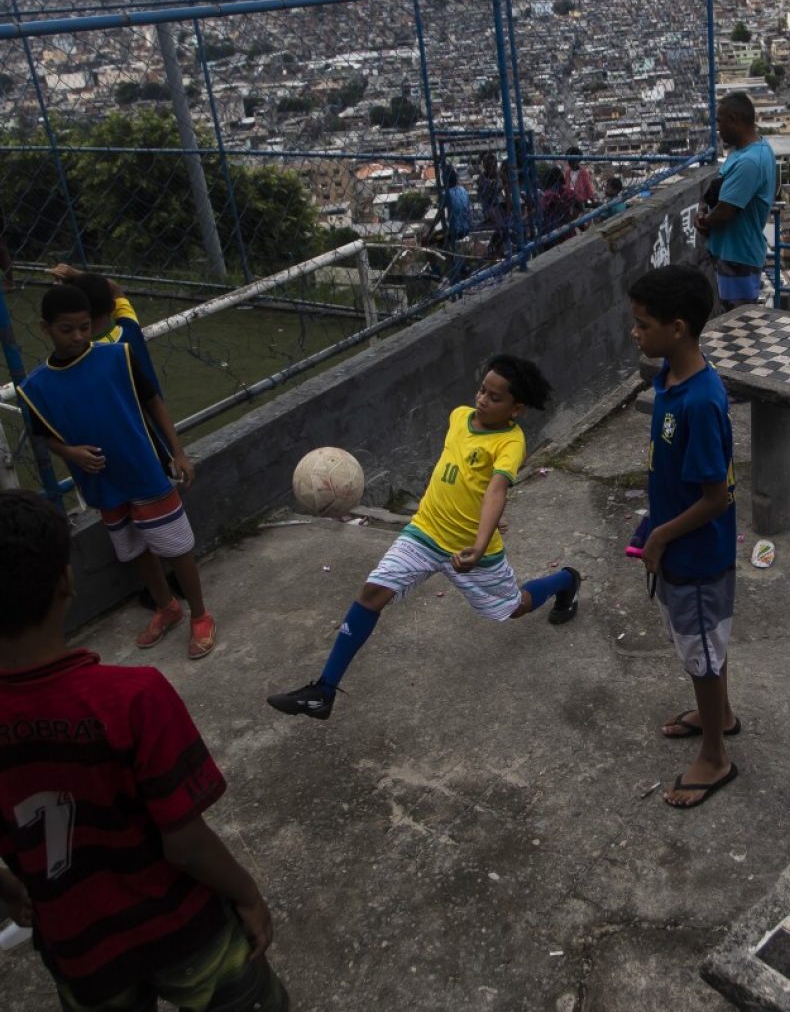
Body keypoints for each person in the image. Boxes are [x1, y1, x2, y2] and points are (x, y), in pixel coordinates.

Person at [0, 489, 287, 1011]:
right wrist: (246, 893)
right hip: (181, 928)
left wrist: (8, 887)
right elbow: (185, 843)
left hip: (78, 950)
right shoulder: (132, 698)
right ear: (66, 581)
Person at [267, 354, 582, 720]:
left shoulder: (510, 442)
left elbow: (496, 488)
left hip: (469, 549)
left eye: (495, 398)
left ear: (518, 409)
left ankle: (566, 580)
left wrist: (481, 543)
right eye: (482, 390)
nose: (482, 399)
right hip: (425, 531)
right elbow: (460, 476)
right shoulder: (458, 417)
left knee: (515, 608)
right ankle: (323, 691)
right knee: (371, 593)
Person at [16, 285, 216, 659]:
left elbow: (154, 400)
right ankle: (166, 607)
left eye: (84, 327)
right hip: (101, 483)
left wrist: (178, 453)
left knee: (176, 547)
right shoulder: (35, 388)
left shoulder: (118, 356)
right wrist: (70, 452)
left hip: (144, 471)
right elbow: (44, 437)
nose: (77, 336)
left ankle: (201, 615)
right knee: (133, 549)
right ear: (46, 329)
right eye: (67, 329)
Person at [628, 264, 739, 810]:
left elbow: (715, 497)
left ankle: (715, 756)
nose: (635, 333)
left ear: (678, 327)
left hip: (694, 555)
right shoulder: (669, 379)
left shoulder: (699, 400)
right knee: (707, 641)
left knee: (701, 650)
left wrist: (659, 538)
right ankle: (720, 713)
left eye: (643, 325)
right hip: (679, 542)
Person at [695, 92, 776, 310]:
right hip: (731, 252)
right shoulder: (746, 152)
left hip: (738, 256)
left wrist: (704, 222)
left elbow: (726, 211)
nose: (718, 129)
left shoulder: (750, 162)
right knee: (732, 318)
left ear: (733, 119)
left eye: (720, 122)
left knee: (739, 324)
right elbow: (719, 189)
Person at [48, 262, 162, 396]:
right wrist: (76, 274)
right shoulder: (130, 328)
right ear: (113, 306)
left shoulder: (78, 353)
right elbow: (114, 288)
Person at [563, 146, 596, 215]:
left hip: (580, 200)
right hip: (569, 199)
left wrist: (593, 200)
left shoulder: (583, 173)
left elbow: (588, 187)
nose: (570, 163)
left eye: (572, 161)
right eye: (569, 161)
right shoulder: (567, 172)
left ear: (577, 161)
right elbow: (566, 185)